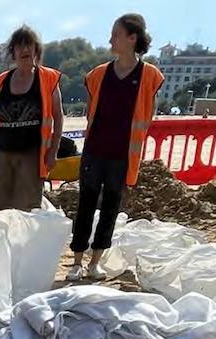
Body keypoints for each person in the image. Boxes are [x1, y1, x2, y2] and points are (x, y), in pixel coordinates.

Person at [68, 13, 164, 280]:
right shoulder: (99, 75)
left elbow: (147, 116)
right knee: (85, 205)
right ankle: (76, 261)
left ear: (132, 38)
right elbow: (90, 113)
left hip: (122, 155)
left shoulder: (149, 76)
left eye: (116, 34)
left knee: (110, 206)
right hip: (95, 150)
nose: (111, 40)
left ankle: (95, 262)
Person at [0, 25, 62, 212]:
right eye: (20, 46)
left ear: (36, 50)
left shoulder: (48, 78)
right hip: (2, 154)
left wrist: (53, 151)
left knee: (27, 209)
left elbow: (58, 117)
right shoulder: (1, 82)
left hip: (31, 155)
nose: (25, 50)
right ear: (13, 52)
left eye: (29, 45)